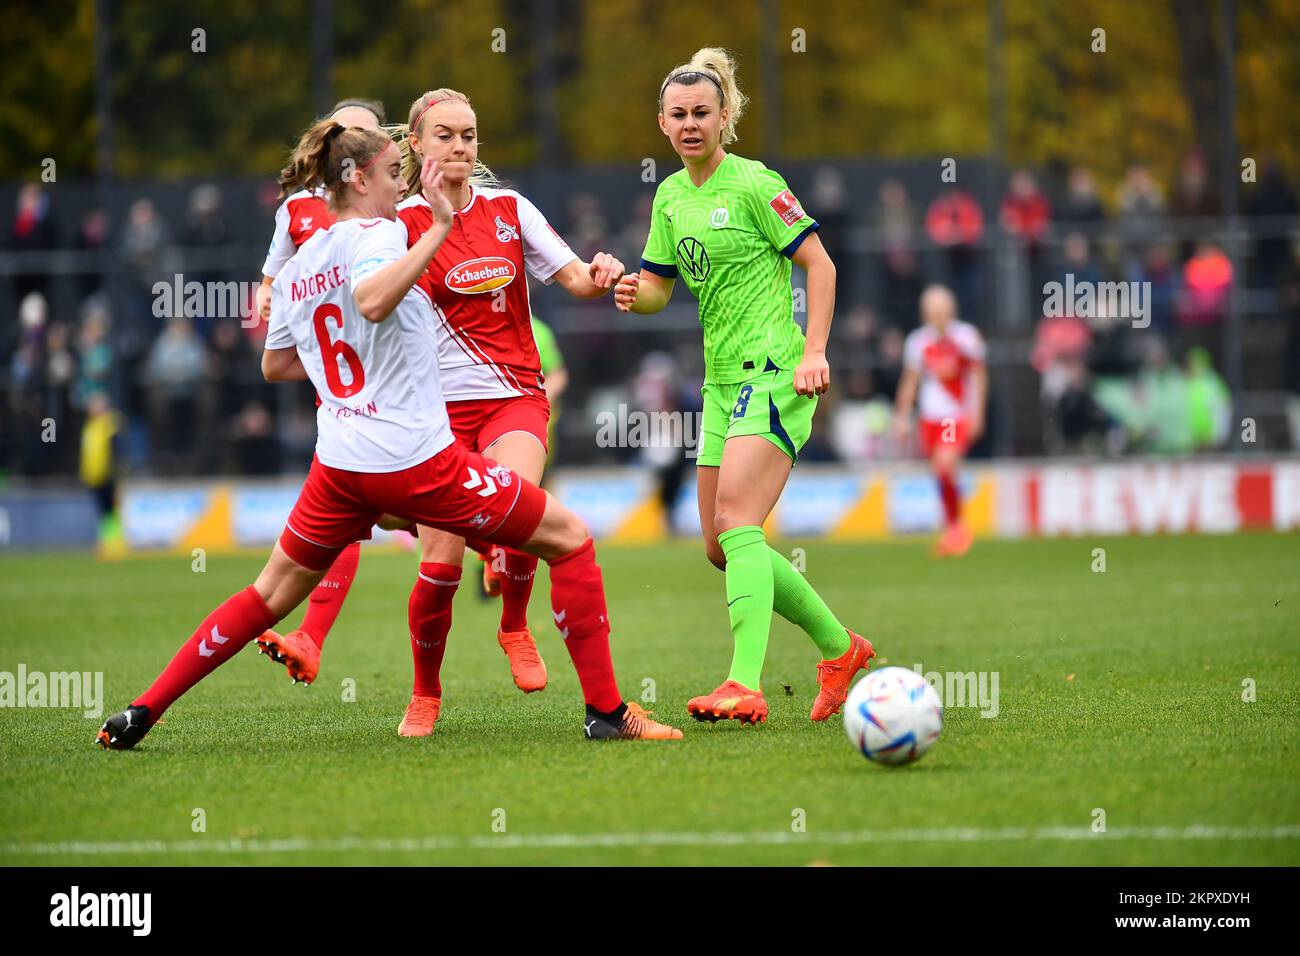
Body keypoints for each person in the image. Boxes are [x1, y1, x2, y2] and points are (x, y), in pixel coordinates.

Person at [96, 120, 681, 750]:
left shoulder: (304, 257)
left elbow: (276, 363)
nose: (402, 181)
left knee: (268, 593)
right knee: (569, 540)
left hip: (339, 464)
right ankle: (606, 713)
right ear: (358, 178)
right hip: (415, 462)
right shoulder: (383, 234)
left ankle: (142, 709)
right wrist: (435, 229)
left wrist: (354, 366)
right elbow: (374, 298)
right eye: (393, 172)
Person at [613, 48, 873, 726]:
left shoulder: (757, 184)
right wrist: (623, 290)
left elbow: (821, 265)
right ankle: (841, 649)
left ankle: (743, 683)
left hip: (776, 372)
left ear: (724, 116)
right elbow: (659, 291)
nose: (691, 123)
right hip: (722, 385)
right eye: (679, 114)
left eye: (703, 112)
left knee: (736, 524)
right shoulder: (671, 197)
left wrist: (814, 351)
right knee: (717, 543)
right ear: (662, 124)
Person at [249, 99, 387, 689]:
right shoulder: (298, 210)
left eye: (365, 133)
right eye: (345, 130)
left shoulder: (397, 202)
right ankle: (309, 636)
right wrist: (268, 297)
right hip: (348, 391)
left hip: (411, 380)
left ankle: (500, 559)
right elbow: (273, 278)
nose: (352, 141)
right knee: (351, 514)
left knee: (415, 514)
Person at [893, 285, 988, 557]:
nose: (938, 316)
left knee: (945, 464)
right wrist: (902, 414)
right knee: (939, 471)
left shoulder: (967, 337)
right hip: (929, 418)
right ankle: (954, 527)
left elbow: (979, 377)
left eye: (942, 310)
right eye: (933, 311)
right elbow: (910, 381)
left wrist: (977, 412)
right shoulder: (918, 342)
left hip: (954, 417)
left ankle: (957, 529)